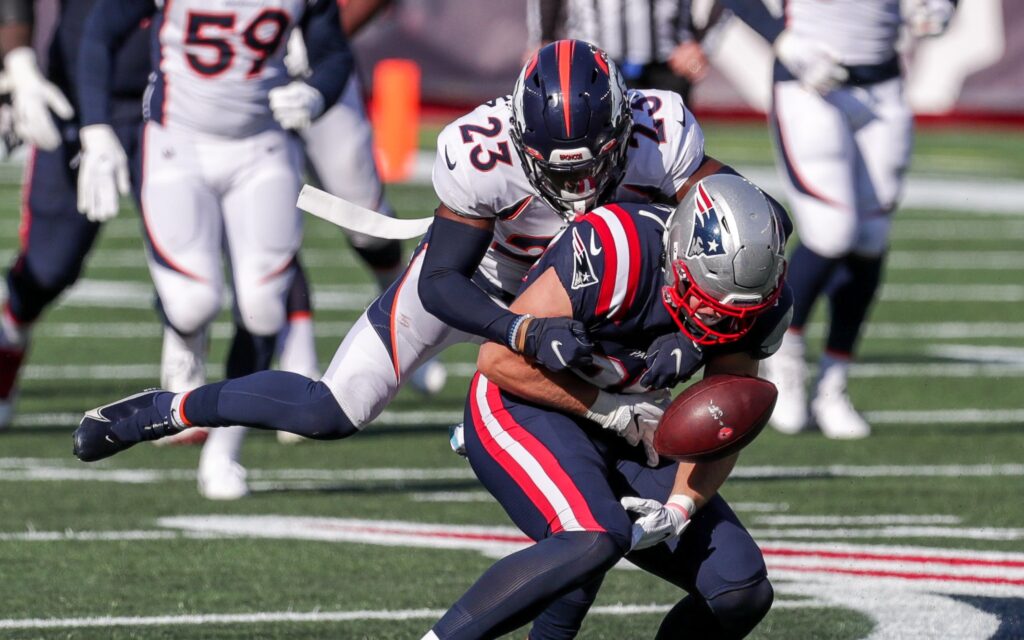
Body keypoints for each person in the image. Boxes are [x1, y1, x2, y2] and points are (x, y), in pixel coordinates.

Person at [70, 40, 784, 470]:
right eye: (554, 169)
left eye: (588, 165)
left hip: (597, 290)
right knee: (331, 410)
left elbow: (750, 223)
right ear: (519, 138)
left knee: (631, 397)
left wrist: (690, 341)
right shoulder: (482, 154)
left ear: (625, 130)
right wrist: (520, 330)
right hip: (493, 277)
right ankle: (171, 408)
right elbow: (441, 279)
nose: (575, 186)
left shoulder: (664, 131)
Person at [423, 174, 789, 639]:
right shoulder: (616, 250)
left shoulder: (758, 299)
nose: (718, 319)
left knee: (741, 588)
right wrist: (608, 408)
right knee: (593, 536)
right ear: (678, 256)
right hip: (525, 401)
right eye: (708, 299)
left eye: (737, 313)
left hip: (632, 424)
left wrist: (679, 506)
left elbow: (725, 419)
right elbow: (497, 360)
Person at [73, 0, 352, 494]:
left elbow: (334, 53)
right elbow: (99, 33)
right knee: (192, 303)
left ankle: (226, 450)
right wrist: (95, 127)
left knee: (264, 310)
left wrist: (315, 94)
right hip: (177, 144)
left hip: (262, 148)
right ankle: (184, 342)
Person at [719, 0, 956, 439]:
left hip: (882, 81)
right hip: (809, 80)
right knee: (832, 230)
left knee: (870, 237)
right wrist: (780, 38)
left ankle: (834, 379)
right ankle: (785, 358)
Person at [527, 0, 714, 102]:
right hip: (591, 63)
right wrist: (542, 38)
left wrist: (702, 43)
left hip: (667, 63)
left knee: (674, 157)